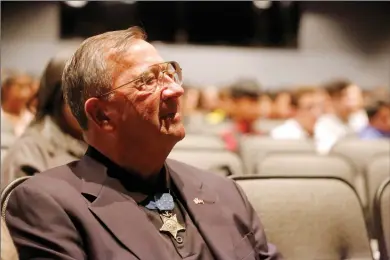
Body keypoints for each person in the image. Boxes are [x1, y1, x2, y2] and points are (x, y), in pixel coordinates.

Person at [5, 27, 281, 260]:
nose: (176, 90)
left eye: (170, 74)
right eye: (148, 80)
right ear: (103, 115)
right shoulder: (46, 203)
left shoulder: (224, 190)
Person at [1, 51, 86, 188]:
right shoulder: (27, 153)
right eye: (79, 96)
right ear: (56, 98)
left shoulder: (96, 141)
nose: (90, 106)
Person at [314, 80, 361, 154]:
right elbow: (326, 151)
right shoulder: (325, 123)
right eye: (347, 97)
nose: (355, 101)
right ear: (334, 99)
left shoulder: (360, 118)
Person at [221, 79, 262, 152]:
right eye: (251, 102)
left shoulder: (262, 136)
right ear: (234, 103)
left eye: (257, 102)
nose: (256, 107)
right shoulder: (225, 137)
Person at [1, 70, 35, 137]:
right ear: (6, 88)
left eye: (28, 87)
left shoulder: (32, 118)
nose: (26, 93)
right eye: (20, 87)